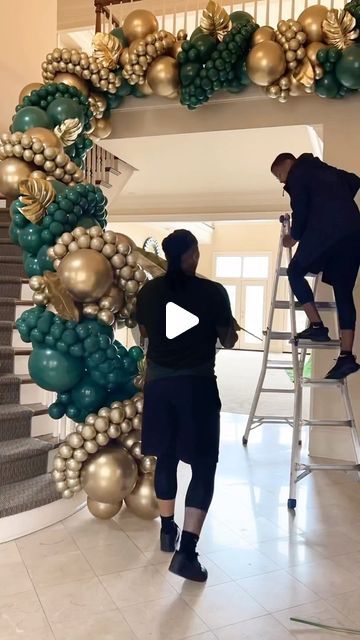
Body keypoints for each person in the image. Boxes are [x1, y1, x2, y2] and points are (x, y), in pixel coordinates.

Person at [135, 230, 238, 582]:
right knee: (204, 466)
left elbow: (145, 334)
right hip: (196, 386)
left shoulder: (148, 292)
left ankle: (167, 530)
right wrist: (226, 328)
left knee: (166, 457)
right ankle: (188, 553)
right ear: (192, 255)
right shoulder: (213, 292)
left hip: (159, 386)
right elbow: (229, 340)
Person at [271, 152, 360, 380]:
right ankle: (346, 356)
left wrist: (293, 236)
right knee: (343, 291)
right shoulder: (326, 170)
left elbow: (300, 209)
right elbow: (354, 180)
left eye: (279, 174)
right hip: (353, 232)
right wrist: (333, 202)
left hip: (325, 232)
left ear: (288, 164)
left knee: (294, 271)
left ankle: (317, 326)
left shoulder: (299, 173)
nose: (282, 181)